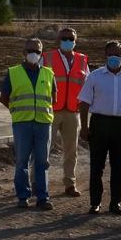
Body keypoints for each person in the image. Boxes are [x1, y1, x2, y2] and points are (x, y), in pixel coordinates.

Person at [78, 41, 121, 215]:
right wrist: (84, 127)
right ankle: (95, 203)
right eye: (111, 54)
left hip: (119, 126)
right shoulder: (95, 76)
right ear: (105, 55)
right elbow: (84, 103)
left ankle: (115, 203)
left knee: (118, 166)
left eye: (118, 55)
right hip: (99, 124)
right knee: (96, 166)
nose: (114, 58)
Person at [0, 38, 56, 210]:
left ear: (41, 54)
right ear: (23, 53)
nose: (34, 54)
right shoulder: (13, 72)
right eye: (30, 50)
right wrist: (16, 110)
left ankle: (43, 197)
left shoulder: (49, 73)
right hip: (22, 123)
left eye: (37, 51)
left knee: (42, 162)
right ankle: (23, 196)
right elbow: (4, 98)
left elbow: (53, 98)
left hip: (43, 123)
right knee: (22, 161)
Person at [42, 27, 88, 198]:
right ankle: (37, 182)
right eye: (64, 38)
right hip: (51, 110)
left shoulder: (82, 60)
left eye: (71, 39)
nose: (67, 41)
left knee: (71, 150)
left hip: (72, 112)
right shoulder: (47, 58)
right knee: (44, 149)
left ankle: (70, 184)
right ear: (58, 40)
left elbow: (87, 86)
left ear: (75, 41)